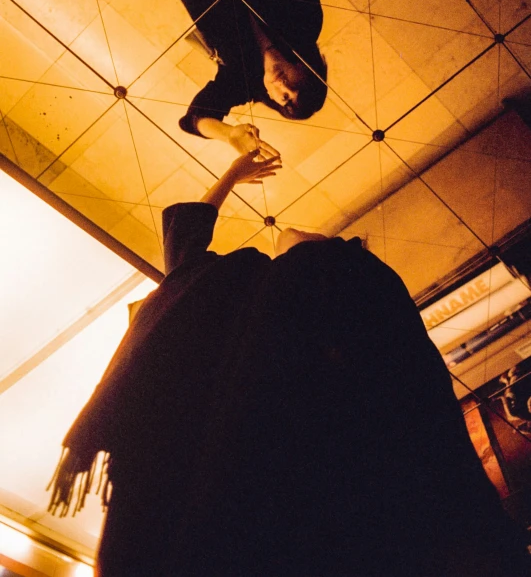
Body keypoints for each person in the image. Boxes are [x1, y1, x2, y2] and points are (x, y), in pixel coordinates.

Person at [49, 153, 531, 576]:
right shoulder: (256, 300)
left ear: (333, 256)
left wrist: (234, 176)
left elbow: (185, 250)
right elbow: (185, 251)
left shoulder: (307, 285)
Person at [179, 0, 327, 157]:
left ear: (272, 97)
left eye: (284, 98)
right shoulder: (306, 26)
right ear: (304, 70)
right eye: (296, 87)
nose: (284, 86)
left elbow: (194, 119)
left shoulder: (244, 82)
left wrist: (228, 134)